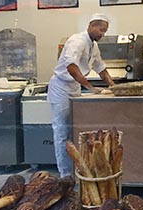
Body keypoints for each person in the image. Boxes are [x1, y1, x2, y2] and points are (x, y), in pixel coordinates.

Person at [47, 13, 115, 177]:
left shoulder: (93, 46)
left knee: (76, 130)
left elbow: (100, 68)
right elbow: (71, 67)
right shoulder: (77, 41)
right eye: (101, 30)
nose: (102, 34)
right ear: (92, 25)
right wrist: (90, 88)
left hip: (74, 87)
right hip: (61, 88)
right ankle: (65, 175)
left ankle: (79, 171)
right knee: (62, 132)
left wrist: (114, 86)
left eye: (105, 31)